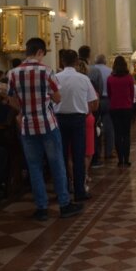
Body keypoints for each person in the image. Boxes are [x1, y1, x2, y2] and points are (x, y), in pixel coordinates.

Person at [8, 38, 82, 221]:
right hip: (47, 123)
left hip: (27, 125)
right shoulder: (46, 71)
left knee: (34, 167)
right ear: (40, 52)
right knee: (56, 164)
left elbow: (11, 100)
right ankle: (64, 204)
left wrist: (25, 109)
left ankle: (41, 208)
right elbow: (57, 98)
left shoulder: (13, 73)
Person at [54, 49, 98, 202]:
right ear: (76, 62)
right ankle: (80, 191)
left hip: (59, 119)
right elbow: (94, 102)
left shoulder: (55, 78)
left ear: (62, 62)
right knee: (79, 156)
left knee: (62, 156)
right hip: (79, 119)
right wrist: (85, 112)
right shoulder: (83, 79)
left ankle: (64, 189)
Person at [107, 56, 135, 167]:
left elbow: (109, 94)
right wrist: (130, 104)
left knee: (117, 134)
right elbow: (132, 93)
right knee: (126, 134)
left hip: (114, 108)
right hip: (126, 108)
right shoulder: (129, 78)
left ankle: (120, 160)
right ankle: (127, 159)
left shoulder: (110, 78)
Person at [78, 45, 104, 166]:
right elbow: (98, 90)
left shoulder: (69, 74)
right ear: (89, 54)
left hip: (76, 111)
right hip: (90, 109)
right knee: (92, 134)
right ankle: (94, 159)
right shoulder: (94, 72)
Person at [92, 54, 115, 162]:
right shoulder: (110, 71)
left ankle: (96, 153)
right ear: (105, 61)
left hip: (94, 100)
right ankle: (108, 152)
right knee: (109, 126)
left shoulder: (91, 70)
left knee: (94, 125)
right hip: (107, 99)